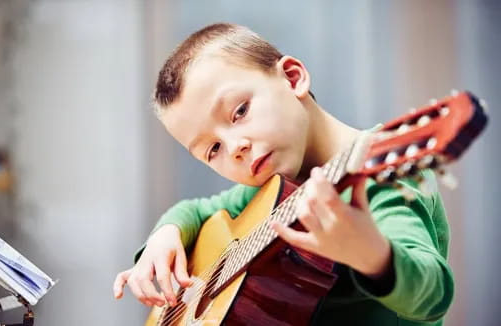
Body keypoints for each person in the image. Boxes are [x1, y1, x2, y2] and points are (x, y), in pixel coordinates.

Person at [113, 23, 454, 325]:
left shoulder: (383, 177)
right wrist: (165, 234)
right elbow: (198, 210)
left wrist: (375, 255)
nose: (234, 148)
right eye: (213, 149)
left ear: (292, 78)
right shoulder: (267, 191)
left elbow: (433, 293)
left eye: (240, 111)